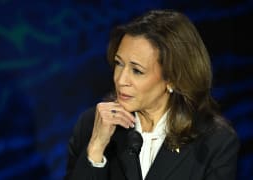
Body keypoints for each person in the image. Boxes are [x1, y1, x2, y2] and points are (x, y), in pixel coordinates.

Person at [64, 9, 240, 180]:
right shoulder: (90, 126)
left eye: (137, 71)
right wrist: (96, 148)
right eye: (119, 63)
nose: (120, 79)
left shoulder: (214, 141)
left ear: (172, 78)